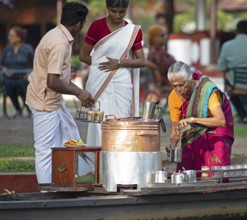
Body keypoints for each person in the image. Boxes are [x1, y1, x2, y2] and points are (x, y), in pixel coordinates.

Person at [26, 2, 95, 184]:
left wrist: (79, 91)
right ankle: (46, 191)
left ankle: (71, 181)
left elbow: (60, 78)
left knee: (70, 139)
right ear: (79, 24)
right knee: (45, 151)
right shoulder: (60, 43)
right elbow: (53, 81)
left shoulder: (57, 35)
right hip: (45, 103)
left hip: (53, 101)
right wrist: (78, 93)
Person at [80, 0, 146, 146]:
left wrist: (118, 63)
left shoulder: (132, 31)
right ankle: (98, 161)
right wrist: (101, 66)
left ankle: (120, 161)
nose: (117, 15)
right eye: (113, 11)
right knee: (99, 121)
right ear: (107, 8)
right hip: (99, 79)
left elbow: (142, 61)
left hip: (122, 82)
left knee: (122, 121)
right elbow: (83, 56)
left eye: (121, 11)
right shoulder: (97, 26)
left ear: (126, 10)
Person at [167, 61, 234, 175]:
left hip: (217, 129)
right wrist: (172, 147)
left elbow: (220, 120)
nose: (178, 90)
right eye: (174, 86)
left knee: (215, 166)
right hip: (194, 130)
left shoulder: (206, 91)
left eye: (181, 85)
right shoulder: (174, 97)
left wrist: (193, 120)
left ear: (190, 80)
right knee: (186, 166)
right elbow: (175, 129)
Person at [0, 26, 34, 118]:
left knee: (23, 85)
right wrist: (5, 70)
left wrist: (29, 73)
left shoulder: (27, 48)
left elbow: (36, 62)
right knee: (9, 85)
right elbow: (1, 63)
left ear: (18, 38)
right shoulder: (7, 49)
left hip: (24, 76)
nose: (9, 37)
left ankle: (29, 110)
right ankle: (18, 109)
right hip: (10, 77)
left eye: (11, 35)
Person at [146, 25, 176, 98]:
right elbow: (162, 71)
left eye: (165, 35)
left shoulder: (159, 51)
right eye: (162, 36)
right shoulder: (155, 53)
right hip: (169, 83)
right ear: (153, 38)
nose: (165, 37)